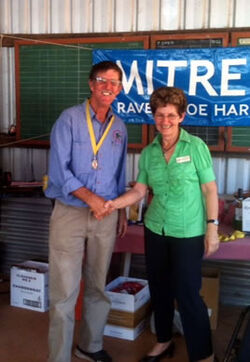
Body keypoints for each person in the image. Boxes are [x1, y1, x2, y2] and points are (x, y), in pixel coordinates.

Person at [104, 87, 219, 362]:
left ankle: (203, 355)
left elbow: (210, 190)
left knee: (188, 294)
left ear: (181, 116)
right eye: (159, 115)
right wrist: (114, 204)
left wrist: (212, 229)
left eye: (170, 115)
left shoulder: (196, 148)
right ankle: (164, 341)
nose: (164, 121)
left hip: (188, 231)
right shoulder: (150, 152)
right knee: (160, 289)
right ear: (153, 117)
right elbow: (140, 190)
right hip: (156, 229)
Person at [45, 61, 128, 362]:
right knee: (64, 291)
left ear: (119, 89)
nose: (109, 87)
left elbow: (120, 173)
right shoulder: (69, 119)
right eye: (103, 81)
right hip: (70, 212)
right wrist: (90, 198)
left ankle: (89, 347)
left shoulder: (119, 127)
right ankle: (59, 358)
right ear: (91, 85)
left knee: (97, 285)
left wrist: (122, 212)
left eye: (115, 83)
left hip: (106, 215)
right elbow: (58, 171)